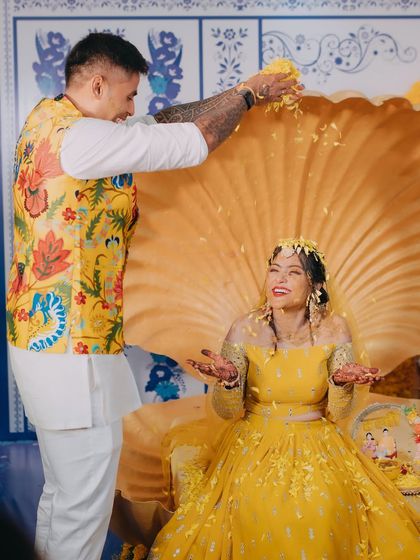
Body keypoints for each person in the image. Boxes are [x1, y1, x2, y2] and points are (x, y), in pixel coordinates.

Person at [5, 32, 301, 560]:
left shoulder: (53, 119)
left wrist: (237, 88)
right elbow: (196, 139)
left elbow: (164, 123)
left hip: (43, 341)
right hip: (71, 350)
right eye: (127, 96)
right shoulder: (85, 142)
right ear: (97, 83)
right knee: (84, 502)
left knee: (62, 491)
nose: (133, 108)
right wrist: (250, 96)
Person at [147, 239, 419, 559]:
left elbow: (340, 410)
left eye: (292, 272)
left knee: (324, 505)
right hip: (254, 444)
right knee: (254, 506)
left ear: (314, 286)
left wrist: (340, 382)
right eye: (274, 270)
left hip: (320, 445)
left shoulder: (334, 329)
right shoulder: (244, 328)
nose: (279, 279)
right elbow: (225, 410)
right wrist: (231, 381)